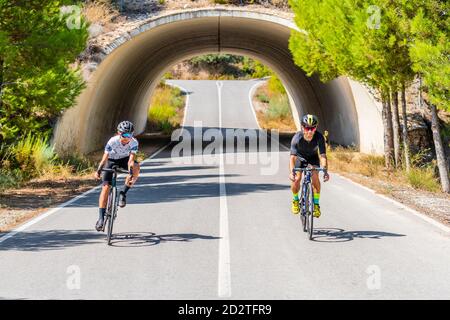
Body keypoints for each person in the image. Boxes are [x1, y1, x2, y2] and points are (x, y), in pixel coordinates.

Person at [94, 121, 140, 231]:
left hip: (124, 160)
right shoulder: (112, 141)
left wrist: (130, 173)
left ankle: (123, 192)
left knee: (136, 167)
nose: (127, 138)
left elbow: (131, 160)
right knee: (105, 188)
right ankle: (101, 218)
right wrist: (98, 170)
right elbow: (104, 158)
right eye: (125, 135)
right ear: (119, 133)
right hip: (111, 160)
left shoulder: (134, 143)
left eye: (130, 135)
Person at [289, 114, 330, 217]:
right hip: (300, 158)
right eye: (307, 128)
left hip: (313, 159)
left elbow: (323, 156)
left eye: (313, 128)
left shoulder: (319, 137)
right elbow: (292, 157)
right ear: (303, 127)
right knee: (297, 178)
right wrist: (291, 172)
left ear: (316, 128)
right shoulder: (297, 138)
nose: (310, 131)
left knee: (315, 177)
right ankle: (295, 200)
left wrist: (325, 171)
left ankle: (316, 205)